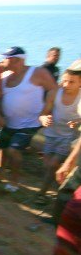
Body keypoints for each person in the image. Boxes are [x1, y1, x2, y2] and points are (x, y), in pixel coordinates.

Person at [0, 47, 57, 192]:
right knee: (2, 149)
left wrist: (45, 111)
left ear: (17, 60)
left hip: (29, 123)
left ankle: (14, 182)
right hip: (9, 122)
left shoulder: (37, 73)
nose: (3, 61)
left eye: (6, 58)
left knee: (13, 150)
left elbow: (53, 89)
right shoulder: (5, 77)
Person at [36, 66, 81, 202]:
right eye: (65, 80)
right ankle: (59, 188)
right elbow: (43, 113)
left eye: (71, 82)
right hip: (51, 134)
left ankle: (41, 194)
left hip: (69, 137)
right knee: (47, 165)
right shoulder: (54, 93)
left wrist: (78, 122)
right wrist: (44, 119)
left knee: (52, 165)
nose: (66, 85)